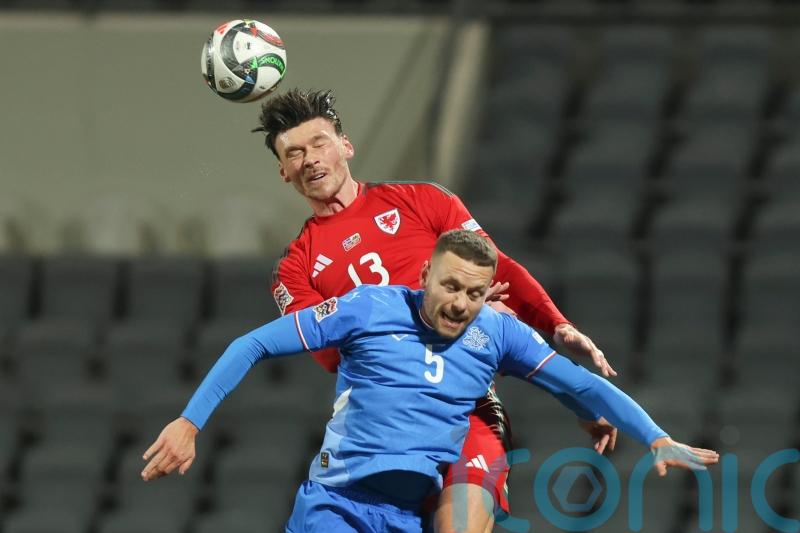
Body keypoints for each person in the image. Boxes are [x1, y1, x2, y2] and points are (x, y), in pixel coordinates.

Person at [140, 230, 719, 533]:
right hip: (337, 505)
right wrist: (190, 421)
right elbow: (256, 342)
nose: (460, 303)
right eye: (449, 286)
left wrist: (655, 435)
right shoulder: (366, 308)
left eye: (473, 292)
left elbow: (582, 387)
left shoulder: (498, 333)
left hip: (409, 516)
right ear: (424, 275)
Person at [254, 88, 615, 532]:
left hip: (467, 412)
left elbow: (498, 267)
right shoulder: (294, 268)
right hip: (376, 433)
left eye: (319, 143)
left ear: (345, 145)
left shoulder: (424, 201)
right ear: (283, 171)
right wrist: (441, 309)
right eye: (294, 153)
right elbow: (329, 355)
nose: (310, 159)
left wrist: (556, 324)